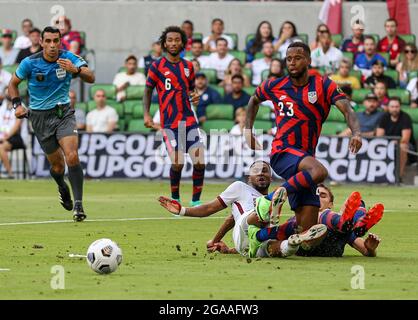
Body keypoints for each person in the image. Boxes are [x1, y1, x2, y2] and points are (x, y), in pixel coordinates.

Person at [244, 42, 362, 244]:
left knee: (305, 234)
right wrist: (248, 129)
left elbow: (347, 109)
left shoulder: (324, 85)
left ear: (308, 60)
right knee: (320, 172)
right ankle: (269, 200)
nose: (292, 62)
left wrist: (356, 133)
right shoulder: (275, 85)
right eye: (289, 59)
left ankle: (259, 237)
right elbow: (254, 100)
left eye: (297, 58)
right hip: (283, 152)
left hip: (304, 162)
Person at [8, 26, 95, 221]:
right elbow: (12, 84)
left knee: (72, 156)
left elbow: (91, 77)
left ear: (60, 41)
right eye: (48, 41)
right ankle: (62, 186)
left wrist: (77, 70)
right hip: (39, 118)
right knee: (58, 167)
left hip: (63, 113)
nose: (52, 45)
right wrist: (17, 106)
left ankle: (79, 206)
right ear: (41, 42)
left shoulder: (68, 58)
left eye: (56, 41)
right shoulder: (30, 63)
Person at [158, 160, 326, 258]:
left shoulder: (275, 194)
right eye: (256, 171)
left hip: (248, 247)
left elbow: (231, 218)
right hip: (244, 227)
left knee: (278, 249)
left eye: (265, 171)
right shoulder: (239, 187)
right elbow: (209, 208)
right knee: (254, 215)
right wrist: (182, 211)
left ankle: (292, 242)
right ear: (249, 177)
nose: (261, 173)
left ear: (271, 177)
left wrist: (218, 243)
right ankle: (266, 212)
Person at [143, 26, 205, 207]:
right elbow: (147, 90)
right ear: (164, 43)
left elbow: (192, 90)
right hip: (169, 123)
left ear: (183, 43)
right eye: (169, 40)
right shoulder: (157, 66)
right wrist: (147, 114)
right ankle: (176, 198)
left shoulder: (188, 66)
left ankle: (196, 201)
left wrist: (195, 96)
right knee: (178, 163)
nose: (173, 43)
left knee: (200, 162)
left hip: (189, 122)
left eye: (177, 40)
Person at [250, 184, 383, 258]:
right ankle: (357, 219)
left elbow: (365, 251)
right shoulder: (301, 218)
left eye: (323, 196)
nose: (318, 198)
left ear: (330, 203)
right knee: (318, 217)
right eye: (315, 195)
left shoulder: (342, 228)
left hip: (334, 235)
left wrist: (371, 249)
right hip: (302, 240)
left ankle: (359, 223)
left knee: (358, 204)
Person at [377, 97, 416, 180]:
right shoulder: (384, 117)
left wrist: (393, 142)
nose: (394, 109)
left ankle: (398, 178)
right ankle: (378, 177)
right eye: (392, 106)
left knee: (402, 146)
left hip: (407, 147)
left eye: (397, 106)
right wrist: (389, 143)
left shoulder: (405, 117)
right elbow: (379, 136)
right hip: (388, 144)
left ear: (400, 107)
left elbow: (405, 139)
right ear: (388, 107)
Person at [0, 90, 24, 179]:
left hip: (15, 137)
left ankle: (10, 173)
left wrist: (5, 138)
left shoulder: (20, 107)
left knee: (1, 147)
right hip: (2, 136)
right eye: (7, 93)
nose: (7, 94)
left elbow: (16, 127)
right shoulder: (3, 106)